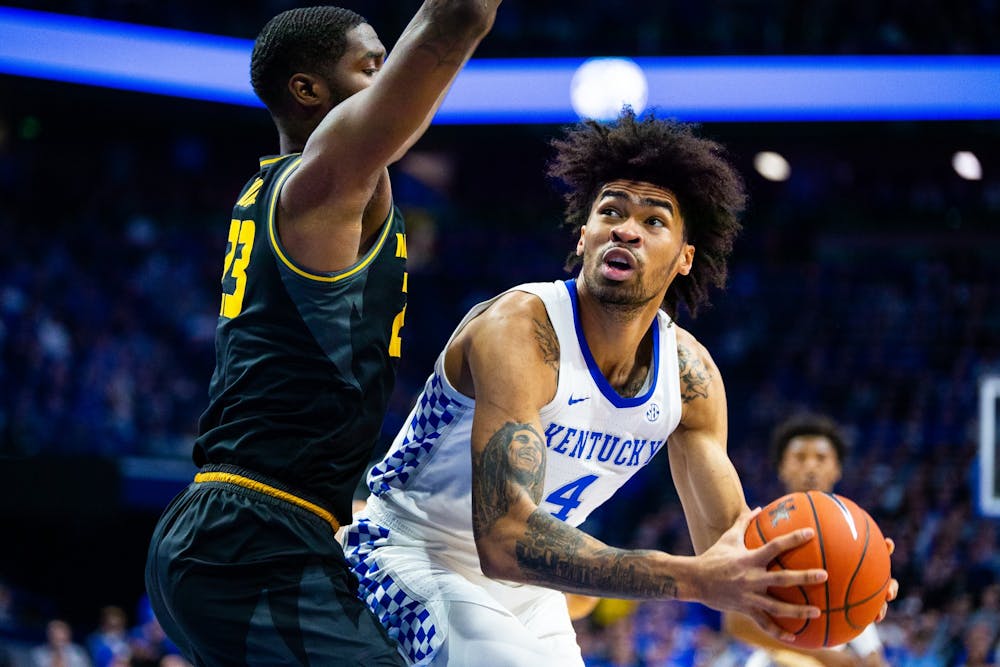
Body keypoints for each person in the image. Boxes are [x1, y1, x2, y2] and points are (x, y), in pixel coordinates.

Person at [342, 108, 893, 665]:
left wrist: (842, 573)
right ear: (584, 238)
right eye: (610, 211)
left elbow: (728, 544)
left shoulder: (690, 377)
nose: (626, 228)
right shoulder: (521, 329)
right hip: (409, 552)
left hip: (528, 587)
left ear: (684, 258)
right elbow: (505, 537)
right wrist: (691, 580)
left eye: (654, 221)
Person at [144, 2, 502, 665]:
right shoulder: (320, 185)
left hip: (273, 529)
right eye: (372, 66)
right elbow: (454, 21)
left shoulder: (307, 190)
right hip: (250, 538)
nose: (391, 76)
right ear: (308, 90)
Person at [725, 413, 890, 667]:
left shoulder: (856, 532)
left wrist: (870, 655)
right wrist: (820, 655)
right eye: (800, 458)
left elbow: (856, 607)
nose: (811, 466)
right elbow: (735, 622)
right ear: (782, 467)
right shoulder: (759, 529)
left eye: (821, 458)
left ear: (837, 468)